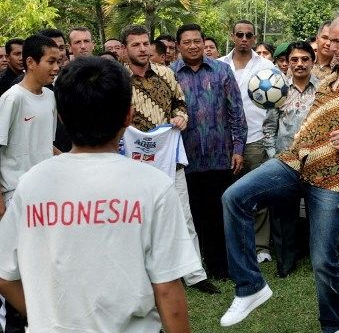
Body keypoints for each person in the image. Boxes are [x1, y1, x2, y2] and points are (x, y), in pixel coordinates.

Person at [220, 14, 339, 332]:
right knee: (234, 197)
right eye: (327, 40)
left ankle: (335, 327)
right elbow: (286, 86)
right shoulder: (322, 71)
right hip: (292, 162)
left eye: (336, 41)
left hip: (333, 179)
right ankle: (250, 287)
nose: (329, 46)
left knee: (323, 260)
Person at [0, 55, 201, 332]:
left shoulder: (31, 184)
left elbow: (4, 275)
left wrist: (42, 317)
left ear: (60, 115)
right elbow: (167, 288)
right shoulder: (153, 185)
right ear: (128, 116)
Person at [121, 24, 217, 294]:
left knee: (182, 216)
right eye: (135, 45)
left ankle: (195, 274)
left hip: (168, 158)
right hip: (132, 164)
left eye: (144, 44)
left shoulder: (165, 73)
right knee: (137, 221)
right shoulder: (116, 79)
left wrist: (181, 118)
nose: (141, 49)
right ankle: (142, 277)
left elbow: (180, 102)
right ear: (125, 48)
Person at [172, 23, 247, 286]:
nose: (193, 46)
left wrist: (238, 148)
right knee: (191, 215)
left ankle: (220, 266)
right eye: (187, 42)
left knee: (219, 213)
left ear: (204, 43)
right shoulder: (170, 74)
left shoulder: (221, 70)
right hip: (185, 158)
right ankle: (194, 268)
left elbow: (236, 112)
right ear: (178, 46)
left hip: (220, 155)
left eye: (197, 41)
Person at [0, 34, 60, 333]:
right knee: (15, 266)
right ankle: (14, 322)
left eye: (58, 61)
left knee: (43, 263)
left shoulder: (50, 97)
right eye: (50, 62)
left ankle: (41, 318)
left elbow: (46, 145)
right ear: (30, 62)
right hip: (15, 194)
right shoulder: (12, 98)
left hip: (45, 194)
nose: (55, 67)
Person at [219, 19, 275, 264]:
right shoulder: (219, 65)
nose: (244, 38)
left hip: (255, 138)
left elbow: (276, 103)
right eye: (239, 34)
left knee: (257, 194)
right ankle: (233, 243)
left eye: (248, 35)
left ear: (254, 38)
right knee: (227, 194)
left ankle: (261, 245)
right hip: (224, 140)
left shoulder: (267, 66)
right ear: (232, 36)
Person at [262, 41, 319, 277]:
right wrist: (274, 157)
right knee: (283, 214)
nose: (299, 64)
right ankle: (285, 262)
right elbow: (268, 129)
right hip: (285, 163)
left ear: (312, 62)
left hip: (317, 162)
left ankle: (320, 260)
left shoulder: (323, 90)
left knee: (317, 213)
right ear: (287, 63)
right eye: (294, 59)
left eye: (305, 59)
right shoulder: (277, 90)